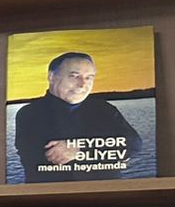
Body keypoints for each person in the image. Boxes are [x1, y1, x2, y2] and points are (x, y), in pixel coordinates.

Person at [12, 52, 142, 183]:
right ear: (52, 77)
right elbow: (47, 158)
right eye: (74, 76)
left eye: (89, 78)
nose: (82, 85)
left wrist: (79, 150)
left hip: (107, 192)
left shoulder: (105, 109)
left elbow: (134, 145)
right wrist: (109, 150)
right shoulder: (29, 114)